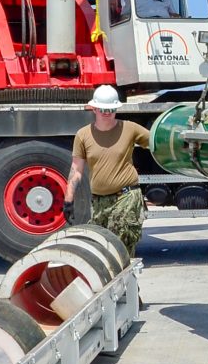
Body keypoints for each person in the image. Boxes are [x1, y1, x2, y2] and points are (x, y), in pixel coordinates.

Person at [63, 85, 150, 257]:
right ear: (94, 108)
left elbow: (157, 142)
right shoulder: (83, 135)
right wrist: (68, 200)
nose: (106, 112)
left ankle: (126, 280)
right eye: (102, 108)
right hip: (99, 203)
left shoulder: (130, 128)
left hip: (126, 198)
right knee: (102, 250)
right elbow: (76, 170)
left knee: (122, 248)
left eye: (110, 109)